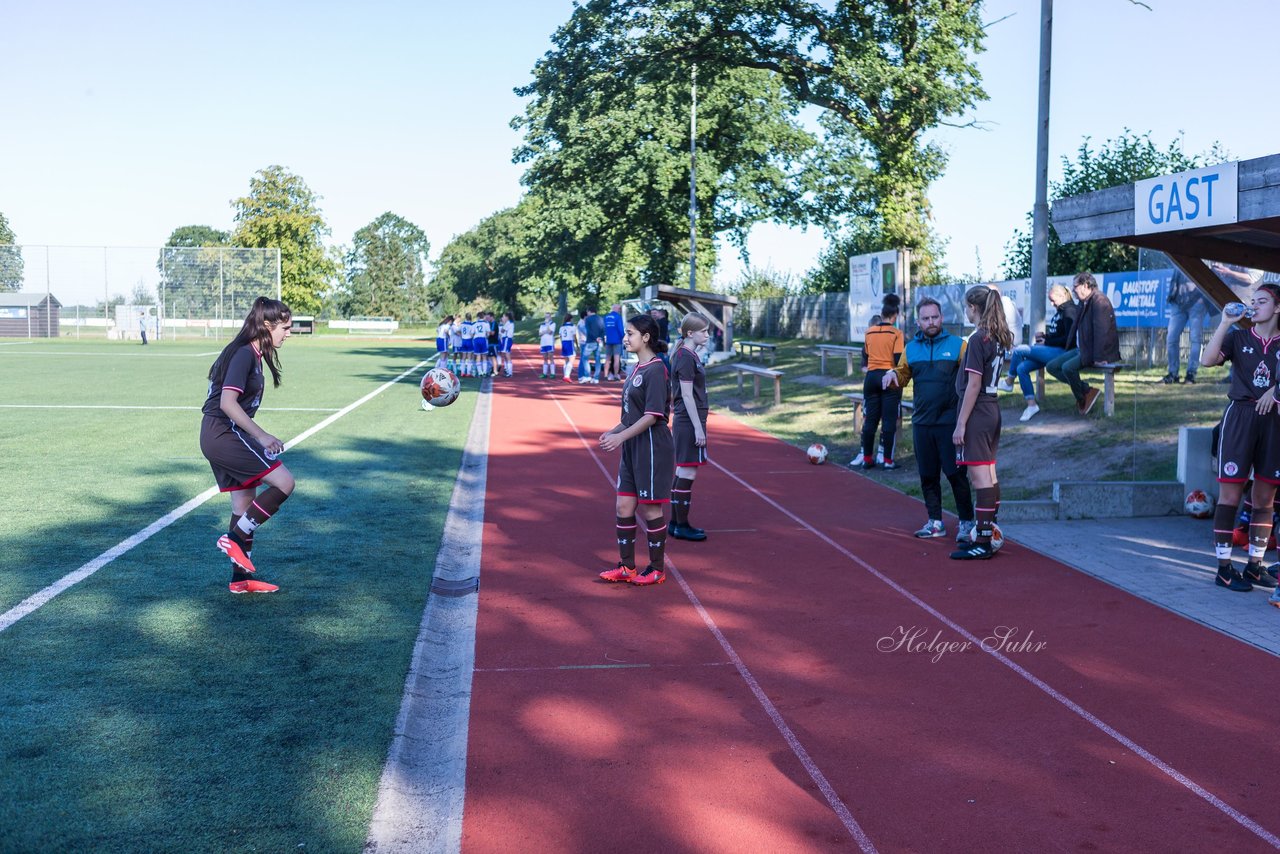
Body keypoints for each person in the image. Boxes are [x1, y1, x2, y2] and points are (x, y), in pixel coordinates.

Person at [198, 296, 295, 594]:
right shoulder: (243, 353)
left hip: (218, 435)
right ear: (267, 325)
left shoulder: (253, 354)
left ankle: (239, 579)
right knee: (284, 483)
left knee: (243, 505)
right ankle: (235, 539)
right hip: (223, 433)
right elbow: (227, 403)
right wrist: (262, 435)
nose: (289, 333)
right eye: (286, 327)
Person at [1199, 283, 1280, 594]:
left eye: (1262, 302)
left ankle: (1255, 567)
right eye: (1253, 301)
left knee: (1264, 500)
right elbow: (1207, 361)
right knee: (1230, 496)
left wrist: (1276, 390)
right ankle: (1223, 568)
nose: (1254, 306)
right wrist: (1224, 322)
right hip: (1240, 418)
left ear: (1277, 308)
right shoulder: (1239, 337)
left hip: (1274, 422)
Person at [884, 297, 976, 542]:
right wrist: (892, 375)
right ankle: (935, 521)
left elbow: (972, 379)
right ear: (918, 321)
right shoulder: (911, 348)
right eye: (926, 318)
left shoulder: (959, 345)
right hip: (922, 422)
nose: (931, 322)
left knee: (956, 475)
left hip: (950, 423)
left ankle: (967, 523)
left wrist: (965, 421)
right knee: (927, 475)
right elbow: (903, 375)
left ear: (941, 318)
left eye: (935, 317)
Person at [597, 314, 674, 586]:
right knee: (624, 504)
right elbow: (631, 415)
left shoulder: (656, 369)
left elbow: (652, 416)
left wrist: (620, 438)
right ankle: (627, 567)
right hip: (633, 444)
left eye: (629, 333)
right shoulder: (636, 370)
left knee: (651, 510)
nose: (625, 338)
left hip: (652, 446)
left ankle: (656, 569)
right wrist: (614, 432)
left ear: (646, 337)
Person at [950, 286, 1013, 560]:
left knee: (979, 477)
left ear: (973, 308)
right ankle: (988, 531)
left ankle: (984, 540)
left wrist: (961, 423)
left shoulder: (978, 338)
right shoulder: (998, 336)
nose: (966, 311)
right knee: (989, 472)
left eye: (967, 307)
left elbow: (974, 384)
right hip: (993, 408)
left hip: (978, 411)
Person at [998, 284, 1078, 421]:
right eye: (1050, 301)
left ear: (1062, 296)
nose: (1052, 304)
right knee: (1022, 368)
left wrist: (1046, 342)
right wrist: (1045, 337)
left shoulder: (1069, 310)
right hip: (1053, 349)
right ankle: (1031, 405)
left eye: (1053, 300)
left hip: (1062, 353)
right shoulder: (1061, 310)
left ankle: (1009, 381)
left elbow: (1068, 340)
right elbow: (1058, 334)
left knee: (1019, 350)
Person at [1044, 272, 1120, 416]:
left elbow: (1102, 332)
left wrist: (1099, 357)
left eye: (1075, 287)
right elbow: (1075, 329)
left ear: (1086, 285)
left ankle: (1083, 400)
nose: (1073, 291)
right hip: (1081, 349)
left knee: (1067, 368)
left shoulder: (1099, 301)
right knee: (1051, 367)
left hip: (1094, 351)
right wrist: (1067, 349)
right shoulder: (1083, 301)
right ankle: (1086, 391)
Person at [669, 314, 712, 541]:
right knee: (688, 470)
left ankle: (675, 523)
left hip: (688, 418)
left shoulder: (687, 354)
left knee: (682, 469)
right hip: (688, 419)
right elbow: (686, 394)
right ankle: (682, 525)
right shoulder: (685, 357)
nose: (707, 334)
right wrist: (698, 428)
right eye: (703, 331)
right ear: (689, 333)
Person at [852, 295, 904, 469]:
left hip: (871, 378)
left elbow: (865, 356)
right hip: (889, 377)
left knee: (870, 420)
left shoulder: (869, 332)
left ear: (881, 314)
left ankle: (867, 458)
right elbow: (897, 359)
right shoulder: (896, 333)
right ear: (895, 316)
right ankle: (887, 461)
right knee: (889, 421)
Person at [1162, 269, 1213, 384]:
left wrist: (1202, 299)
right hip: (1178, 301)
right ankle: (1173, 374)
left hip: (1196, 302)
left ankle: (1191, 374)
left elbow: (1210, 276)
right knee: (1171, 339)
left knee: (1195, 339)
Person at [579, 306, 604, 384]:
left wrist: (595, 338)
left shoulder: (588, 319)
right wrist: (600, 338)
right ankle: (596, 378)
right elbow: (603, 329)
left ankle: (587, 376)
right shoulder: (600, 318)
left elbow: (588, 331)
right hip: (599, 341)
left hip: (590, 341)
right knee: (597, 360)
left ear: (589, 311)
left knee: (585, 358)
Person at [603, 303, 625, 380]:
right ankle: (616, 375)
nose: (619, 310)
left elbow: (604, 328)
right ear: (616, 308)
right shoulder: (618, 317)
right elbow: (620, 329)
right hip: (617, 340)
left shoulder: (606, 317)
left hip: (608, 340)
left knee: (607, 359)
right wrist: (624, 337)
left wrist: (604, 339)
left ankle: (606, 375)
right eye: (619, 309)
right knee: (616, 358)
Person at [559, 313, 578, 383]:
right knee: (571, 359)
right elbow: (574, 336)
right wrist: (577, 345)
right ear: (571, 319)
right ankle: (567, 376)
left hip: (564, 343)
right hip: (570, 343)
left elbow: (560, 337)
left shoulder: (562, 327)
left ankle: (565, 375)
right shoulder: (573, 326)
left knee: (566, 360)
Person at [538, 312, 556, 378]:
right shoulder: (542, 325)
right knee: (545, 358)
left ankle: (553, 373)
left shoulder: (553, 324)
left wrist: (546, 328)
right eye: (546, 317)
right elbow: (540, 334)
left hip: (550, 343)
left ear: (550, 317)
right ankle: (544, 373)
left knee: (551, 357)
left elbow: (550, 332)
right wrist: (545, 331)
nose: (547, 318)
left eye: (548, 317)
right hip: (543, 343)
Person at [499, 312, 515, 377]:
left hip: (507, 339)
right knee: (505, 355)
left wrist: (503, 324)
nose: (502, 318)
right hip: (505, 339)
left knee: (507, 355)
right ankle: (507, 370)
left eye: (503, 317)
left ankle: (510, 372)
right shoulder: (508, 323)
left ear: (507, 317)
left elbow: (502, 330)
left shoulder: (508, 323)